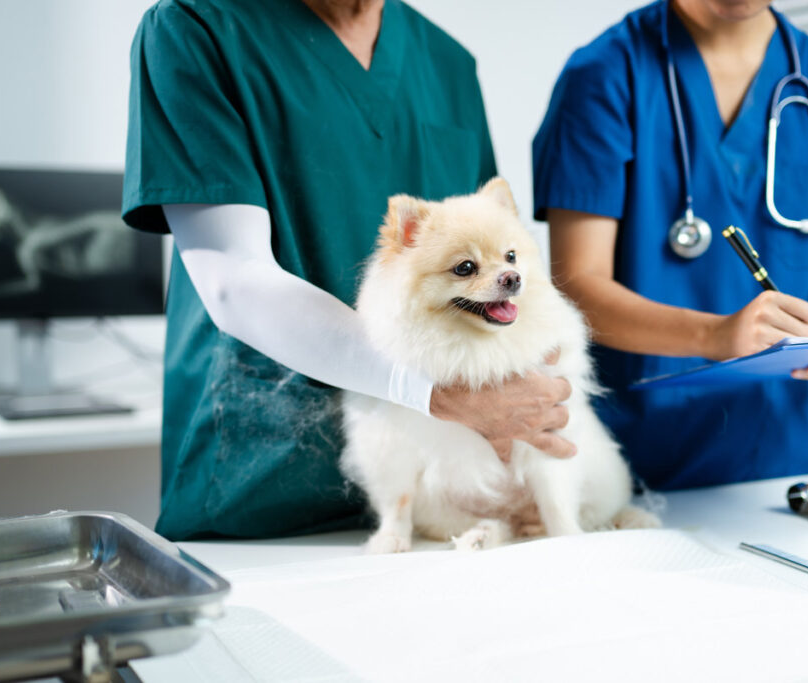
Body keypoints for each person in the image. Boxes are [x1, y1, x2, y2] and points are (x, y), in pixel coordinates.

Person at [123, 0, 574, 540]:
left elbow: (491, 257)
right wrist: (437, 391)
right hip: (262, 486)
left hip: (440, 490)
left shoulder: (448, 64)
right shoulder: (195, 29)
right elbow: (234, 281)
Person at [532, 0, 808, 490]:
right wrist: (716, 337)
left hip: (769, 460)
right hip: (621, 458)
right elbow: (576, 284)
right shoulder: (605, 73)